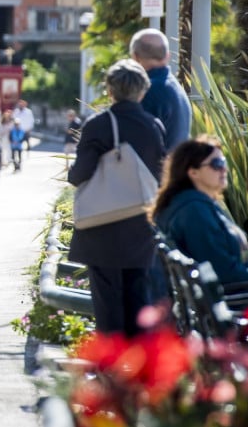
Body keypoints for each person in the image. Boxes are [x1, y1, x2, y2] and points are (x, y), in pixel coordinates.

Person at [67, 58, 166, 336]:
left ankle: (111, 367)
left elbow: (80, 174)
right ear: (142, 91)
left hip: (102, 225)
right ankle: (139, 366)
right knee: (138, 294)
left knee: (107, 299)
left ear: (110, 90)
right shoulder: (154, 126)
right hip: (140, 225)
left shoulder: (98, 125)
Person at [152, 137, 248, 285]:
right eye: (216, 164)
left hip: (237, 294)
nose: (224, 169)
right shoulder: (194, 212)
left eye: (223, 162)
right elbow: (223, 272)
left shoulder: (196, 205)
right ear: (193, 172)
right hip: (238, 299)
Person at [130, 28, 192, 152]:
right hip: (175, 167)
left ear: (135, 57)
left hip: (154, 169)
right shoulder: (175, 86)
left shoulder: (145, 91)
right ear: (167, 56)